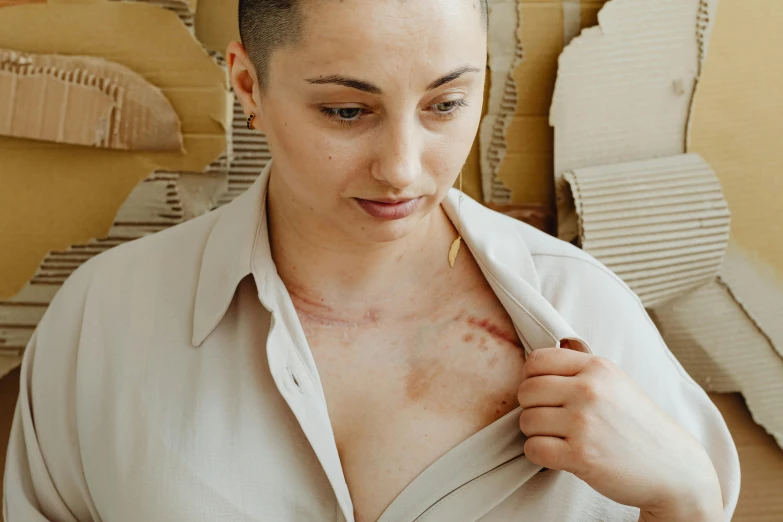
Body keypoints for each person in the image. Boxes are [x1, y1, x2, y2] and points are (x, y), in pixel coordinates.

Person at [3, 0, 740, 520]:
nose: (402, 167)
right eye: (347, 112)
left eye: (446, 104)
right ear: (247, 85)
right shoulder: (104, 318)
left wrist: (686, 503)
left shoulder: (587, 314)